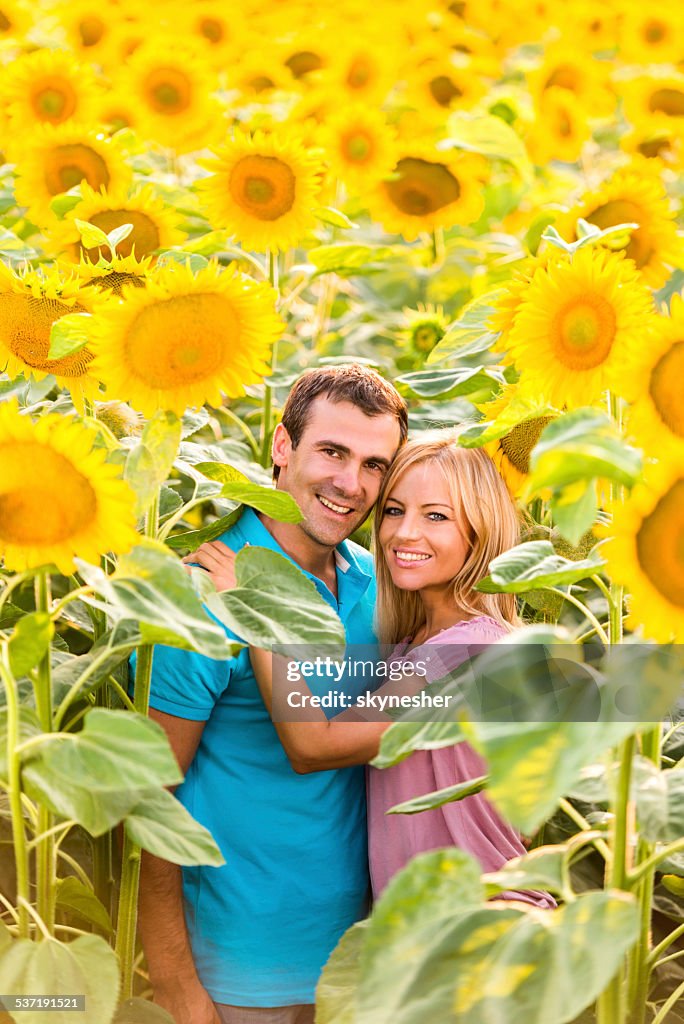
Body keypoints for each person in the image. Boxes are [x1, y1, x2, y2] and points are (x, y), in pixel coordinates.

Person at [138, 364, 408, 1024]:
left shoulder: (381, 584)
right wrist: (175, 983)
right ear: (282, 447)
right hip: (237, 966)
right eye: (333, 452)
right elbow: (151, 798)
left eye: (375, 464)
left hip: (354, 959)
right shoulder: (202, 594)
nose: (352, 484)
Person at [200, 432, 555, 907]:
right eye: (393, 510)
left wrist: (256, 610)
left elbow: (313, 745)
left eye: (436, 516)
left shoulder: (467, 651)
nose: (405, 532)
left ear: (480, 530)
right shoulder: (416, 647)